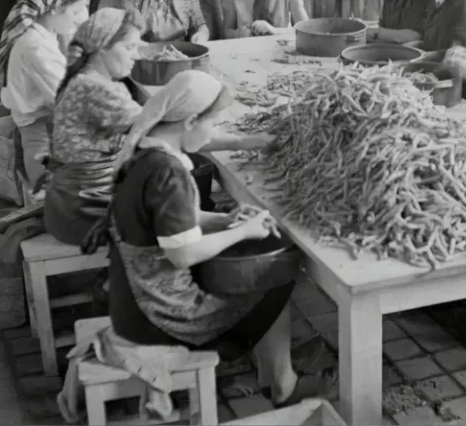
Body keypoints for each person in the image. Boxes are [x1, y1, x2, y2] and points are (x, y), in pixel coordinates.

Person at [83, 71, 338, 407]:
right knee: (273, 280)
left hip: (133, 286)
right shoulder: (167, 173)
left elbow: (173, 223)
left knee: (254, 271)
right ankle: (283, 383)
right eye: (212, 122)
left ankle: (273, 366)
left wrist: (225, 219)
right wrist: (242, 232)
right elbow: (183, 254)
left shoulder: (144, 151)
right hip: (163, 309)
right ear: (189, 121)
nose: (212, 133)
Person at [0, 0, 106, 192]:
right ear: (56, 8)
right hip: (39, 131)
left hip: (49, 123)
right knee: (53, 195)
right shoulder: (36, 47)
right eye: (76, 12)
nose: (81, 19)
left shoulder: (44, 32)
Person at [44, 8, 145, 246]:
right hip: (83, 212)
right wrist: (240, 141)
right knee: (168, 209)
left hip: (69, 204)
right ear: (102, 49)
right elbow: (156, 126)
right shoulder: (96, 88)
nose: (137, 56)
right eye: (129, 47)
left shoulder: (84, 78)